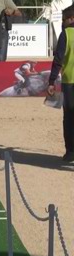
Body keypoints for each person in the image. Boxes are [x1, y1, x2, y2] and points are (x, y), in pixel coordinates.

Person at [47, 5, 74, 162]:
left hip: (69, 82)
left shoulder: (67, 34)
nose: (63, 23)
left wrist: (51, 81)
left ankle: (71, 152)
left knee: (69, 118)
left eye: (64, 20)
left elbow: (58, 59)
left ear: (71, 19)